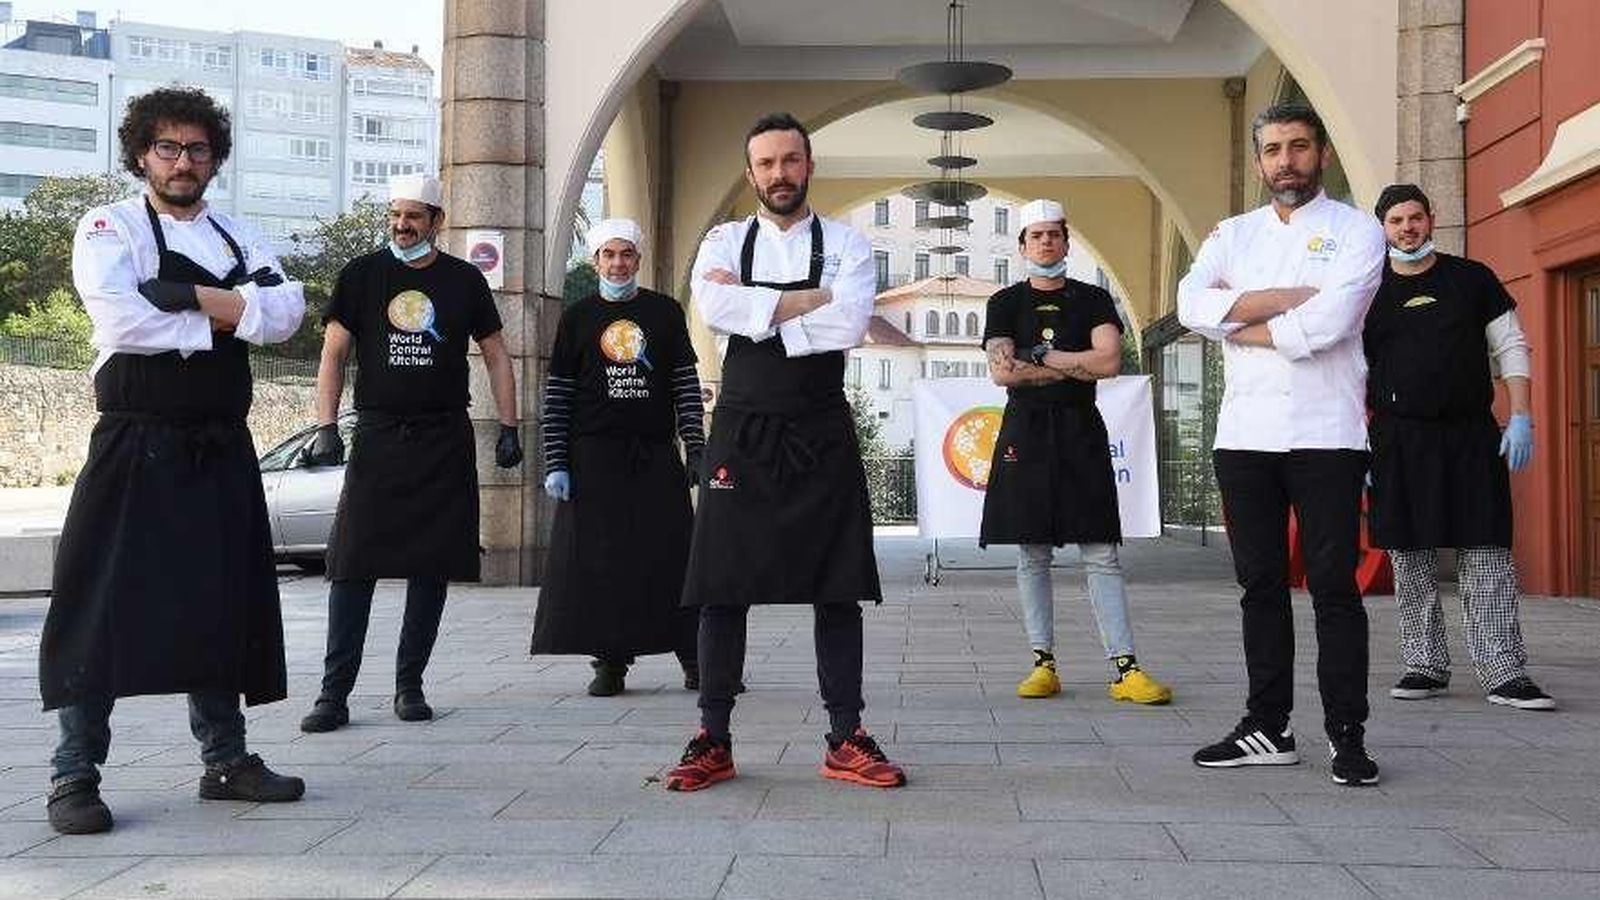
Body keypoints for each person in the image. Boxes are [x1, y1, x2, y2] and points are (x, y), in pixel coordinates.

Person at [40, 87, 307, 834]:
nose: (182, 161)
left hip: (220, 444)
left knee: (221, 603)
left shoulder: (238, 233)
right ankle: (73, 775)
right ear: (140, 155)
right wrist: (230, 313)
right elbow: (121, 317)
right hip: (133, 440)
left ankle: (225, 760)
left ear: (214, 158)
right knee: (98, 607)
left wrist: (186, 294)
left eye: (196, 149)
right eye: (168, 148)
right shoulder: (107, 226)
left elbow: (287, 315)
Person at [662, 112, 905, 792]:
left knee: (838, 585)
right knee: (720, 587)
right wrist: (803, 303)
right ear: (750, 174)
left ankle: (845, 736)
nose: (779, 174)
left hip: (821, 426)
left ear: (809, 166)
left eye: (790, 161)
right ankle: (713, 737)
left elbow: (850, 322)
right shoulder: (725, 239)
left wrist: (761, 310)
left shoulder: (849, 245)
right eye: (766, 164)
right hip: (740, 429)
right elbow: (711, 306)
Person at [1176, 103, 1386, 785]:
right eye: (1272, 150)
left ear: (1320, 154)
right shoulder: (1232, 235)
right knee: (1259, 585)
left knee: (1332, 587)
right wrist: (1283, 297)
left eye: (1298, 147)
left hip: (1328, 433)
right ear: (1261, 161)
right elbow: (1189, 306)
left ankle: (1346, 735)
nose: (1285, 160)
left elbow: (1333, 321)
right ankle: (1268, 727)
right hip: (1244, 435)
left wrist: (1238, 318)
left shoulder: (1359, 232)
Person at [298, 173, 523, 733]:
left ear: (436, 222)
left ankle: (409, 685)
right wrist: (325, 425)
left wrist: (509, 425)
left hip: (443, 436)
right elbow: (333, 354)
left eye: (414, 217)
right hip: (377, 435)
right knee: (351, 565)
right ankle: (333, 695)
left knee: (431, 566)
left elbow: (495, 354)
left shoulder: (464, 280)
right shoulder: (362, 275)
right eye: (396, 216)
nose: (403, 226)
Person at [1364, 183, 1553, 711]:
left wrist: (1520, 415)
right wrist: (1358, 446)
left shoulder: (1472, 279)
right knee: (1410, 554)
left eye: (1415, 217)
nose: (1407, 228)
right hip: (1396, 439)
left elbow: (1511, 345)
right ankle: (1424, 665)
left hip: (1471, 434)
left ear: (1432, 219)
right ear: (1383, 227)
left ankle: (1503, 670)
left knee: (1487, 548)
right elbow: (1349, 372)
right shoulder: (1366, 291)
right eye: (1396, 220)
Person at [980, 198, 1173, 706]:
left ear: (1066, 240)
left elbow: (1109, 362)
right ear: (1022, 245)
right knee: (1032, 553)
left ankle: (1125, 668)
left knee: (1102, 552)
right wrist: (1072, 363)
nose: (1046, 242)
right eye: (1037, 235)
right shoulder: (1004, 303)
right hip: (1025, 429)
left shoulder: (1093, 298)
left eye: (1054, 234)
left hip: (1081, 428)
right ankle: (1042, 662)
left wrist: (1042, 356)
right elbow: (1003, 371)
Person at [533, 218, 703, 696]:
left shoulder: (665, 313)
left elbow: (685, 387)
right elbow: (559, 396)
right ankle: (609, 662)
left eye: (626, 254)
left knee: (673, 558)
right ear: (595, 261)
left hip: (653, 457)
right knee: (601, 564)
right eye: (609, 254)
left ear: (638, 260)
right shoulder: (577, 317)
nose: (618, 263)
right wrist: (557, 462)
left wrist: (696, 446)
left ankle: (694, 657)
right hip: (593, 461)